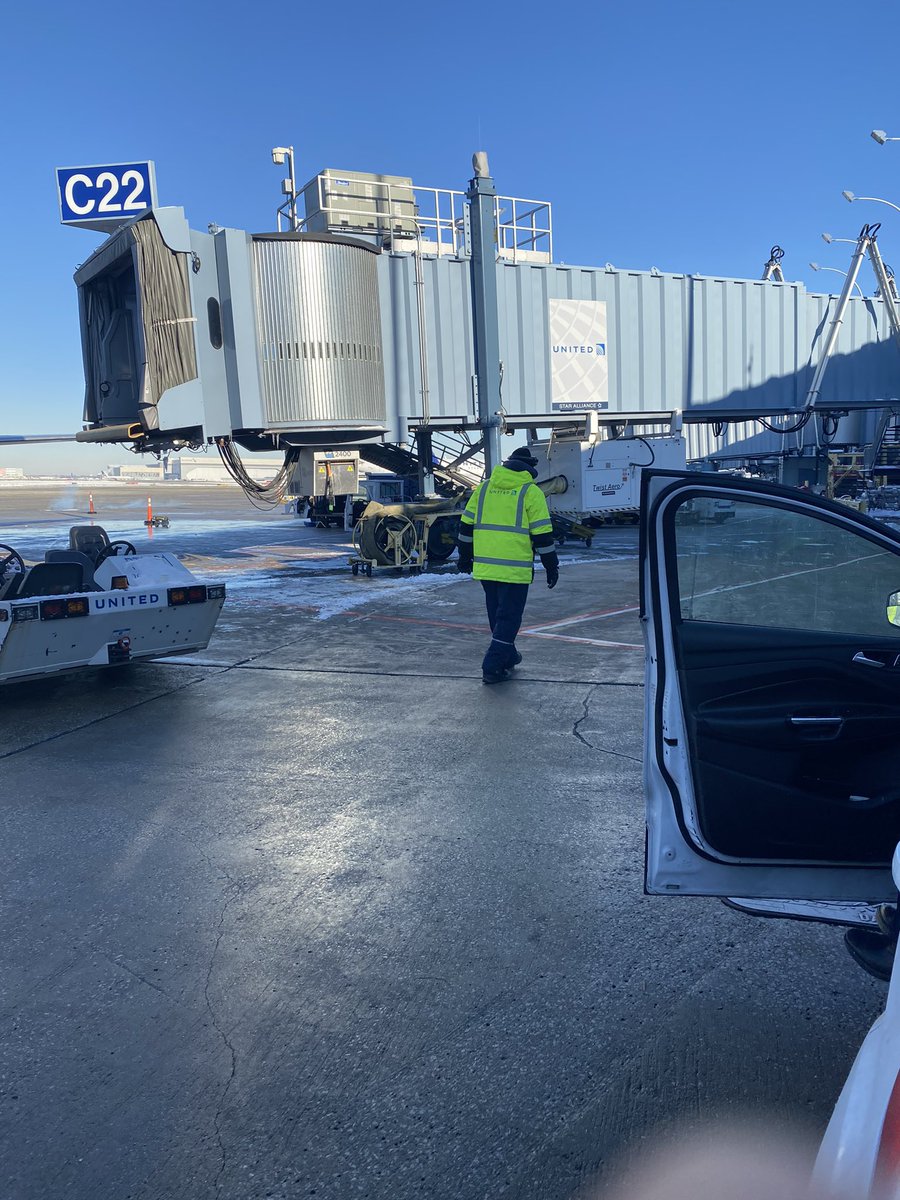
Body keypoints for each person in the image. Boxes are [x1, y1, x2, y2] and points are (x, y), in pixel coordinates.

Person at [456, 446, 559, 684]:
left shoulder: (483, 488)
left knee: (497, 615)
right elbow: (543, 536)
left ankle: (508, 655)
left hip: (486, 568)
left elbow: (465, 528)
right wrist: (551, 567)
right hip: (514, 569)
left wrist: (464, 557)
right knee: (509, 618)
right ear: (530, 469)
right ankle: (492, 666)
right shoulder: (530, 492)